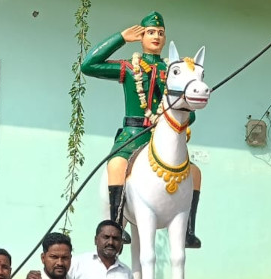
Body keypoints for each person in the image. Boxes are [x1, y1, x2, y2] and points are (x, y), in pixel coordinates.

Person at [82, 10, 204, 248]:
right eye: (150, 32)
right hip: (133, 136)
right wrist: (121, 38)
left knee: (195, 173)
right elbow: (89, 65)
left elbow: (189, 110)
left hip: (164, 138)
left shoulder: (174, 71)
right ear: (141, 37)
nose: (156, 36)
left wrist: (186, 114)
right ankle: (116, 225)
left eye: (160, 33)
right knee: (116, 166)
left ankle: (188, 231)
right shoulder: (130, 67)